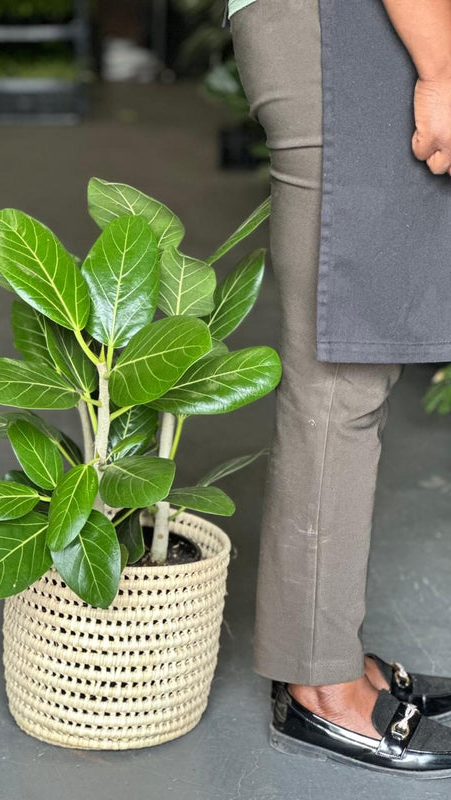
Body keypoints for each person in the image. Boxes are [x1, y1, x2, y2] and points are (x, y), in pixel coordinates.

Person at [226, 0, 451, 777]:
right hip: (340, 24)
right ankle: (320, 686)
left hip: (339, 25)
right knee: (340, 369)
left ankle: (328, 659)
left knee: (354, 358)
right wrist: (441, 67)